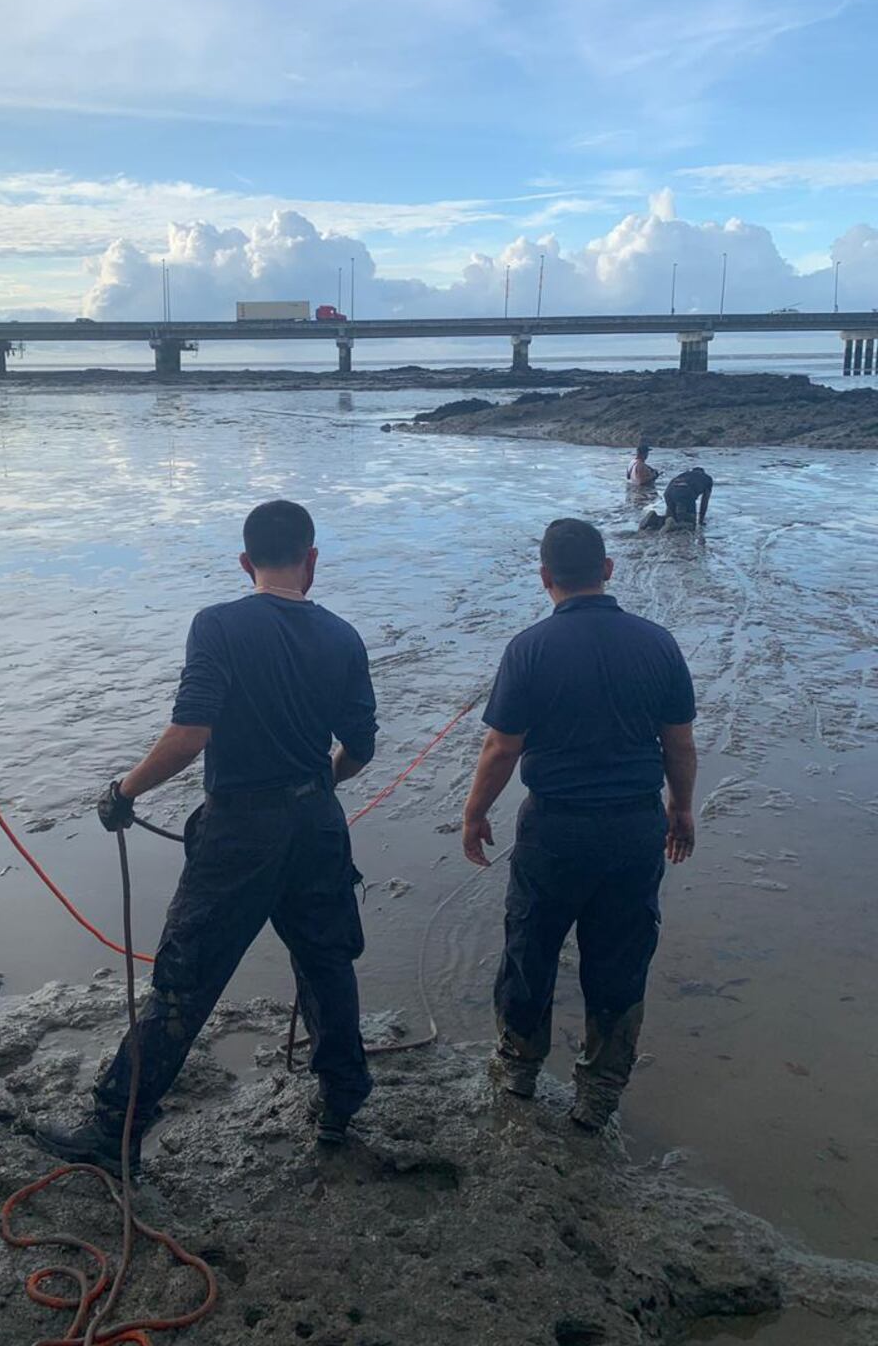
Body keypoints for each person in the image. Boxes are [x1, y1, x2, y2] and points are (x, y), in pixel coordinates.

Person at [37, 499, 378, 1172]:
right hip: (316, 826)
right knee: (326, 964)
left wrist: (123, 793)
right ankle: (340, 1104)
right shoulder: (343, 636)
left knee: (183, 982)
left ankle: (114, 1128)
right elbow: (361, 748)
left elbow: (191, 734)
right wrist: (320, 790)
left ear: (246, 562)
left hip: (239, 834)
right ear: (311, 561)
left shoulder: (218, 625)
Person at [461, 518, 697, 1132]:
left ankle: (518, 1070)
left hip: (555, 831)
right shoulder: (658, 643)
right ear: (608, 571)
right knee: (621, 956)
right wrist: (681, 808)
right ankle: (598, 1096)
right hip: (634, 827)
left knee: (531, 946)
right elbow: (679, 745)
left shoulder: (529, 648)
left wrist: (475, 811)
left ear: (545, 578)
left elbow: (501, 749)